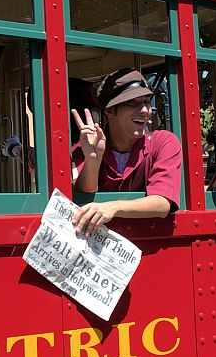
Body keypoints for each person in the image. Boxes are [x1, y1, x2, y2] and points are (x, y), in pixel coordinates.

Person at [70, 68, 182, 236]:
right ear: (109, 111)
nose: (144, 110)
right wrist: (93, 160)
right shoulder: (85, 147)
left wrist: (112, 207)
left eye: (146, 101)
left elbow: (163, 203)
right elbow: (82, 195)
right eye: (132, 102)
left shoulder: (164, 142)